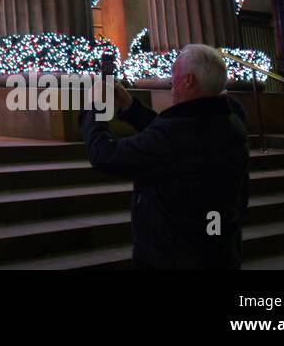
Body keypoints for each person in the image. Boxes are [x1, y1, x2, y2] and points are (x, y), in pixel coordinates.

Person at [81, 43, 250, 269]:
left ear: (188, 80)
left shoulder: (176, 134)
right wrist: (130, 107)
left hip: (172, 256)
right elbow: (179, 141)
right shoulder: (229, 120)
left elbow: (105, 155)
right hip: (218, 248)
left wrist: (94, 108)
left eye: (174, 76)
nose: (171, 84)